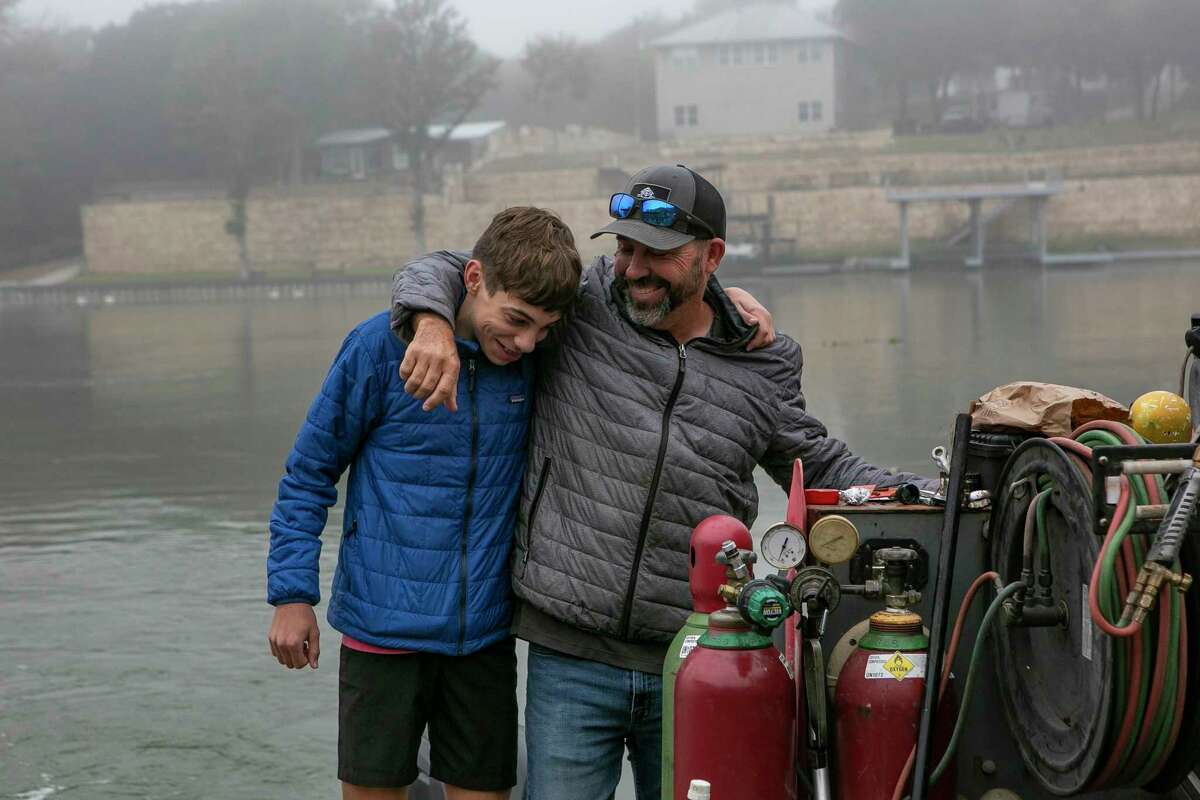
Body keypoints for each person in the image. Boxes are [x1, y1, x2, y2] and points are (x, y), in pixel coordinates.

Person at [391, 165, 932, 800]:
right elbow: (451, 269)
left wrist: (931, 493)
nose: (635, 268)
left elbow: (823, 465)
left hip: (699, 656)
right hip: (570, 653)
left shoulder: (762, 363)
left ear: (712, 257)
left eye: (658, 254)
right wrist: (431, 324)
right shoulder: (584, 305)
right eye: (626, 248)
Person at [266, 206, 582, 800]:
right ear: (474, 279)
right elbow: (309, 475)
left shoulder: (532, 361)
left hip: (483, 638)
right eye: (516, 320)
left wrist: (730, 302)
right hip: (381, 635)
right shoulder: (376, 349)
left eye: (543, 329)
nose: (525, 342)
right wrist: (291, 595)